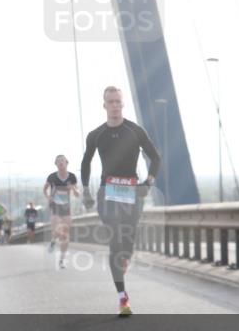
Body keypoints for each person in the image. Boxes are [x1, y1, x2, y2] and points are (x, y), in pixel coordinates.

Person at [81, 86, 160, 316]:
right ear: (104, 105)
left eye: (118, 101)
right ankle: (123, 299)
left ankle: (124, 256)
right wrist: (86, 189)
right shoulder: (96, 135)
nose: (114, 105)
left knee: (127, 243)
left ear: (122, 104)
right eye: (110, 102)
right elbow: (86, 162)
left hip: (132, 193)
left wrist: (149, 182)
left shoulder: (135, 131)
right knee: (115, 237)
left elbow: (155, 157)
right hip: (108, 192)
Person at [44, 154, 79, 269]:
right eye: (58, 161)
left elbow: (77, 194)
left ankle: (61, 260)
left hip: (66, 208)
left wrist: (72, 188)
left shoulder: (72, 177)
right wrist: (48, 197)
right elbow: (45, 189)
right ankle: (54, 239)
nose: (60, 163)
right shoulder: (52, 177)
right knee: (58, 230)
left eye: (62, 161)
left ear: (66, 162)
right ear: (56, 164)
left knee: (65, 235)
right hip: (55, 207)